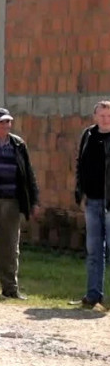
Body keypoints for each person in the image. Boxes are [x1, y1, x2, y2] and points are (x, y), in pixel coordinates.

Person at [0, 107, 40, 301]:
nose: (5, 125)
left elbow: (28, 174)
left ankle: (10, 288)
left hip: (11, 202)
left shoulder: (18, 144)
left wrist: (34, 201)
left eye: (8, 122)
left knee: (10, 248)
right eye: (1, 122)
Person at [75, 102, 110, 309]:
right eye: (102, 115)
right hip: (92, 201)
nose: (106, 118)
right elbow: (80, 164)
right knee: (94, 251)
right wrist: (80, 193)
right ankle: (93, 295)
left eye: (109, 115)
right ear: (95, 116)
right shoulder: (88, 136)